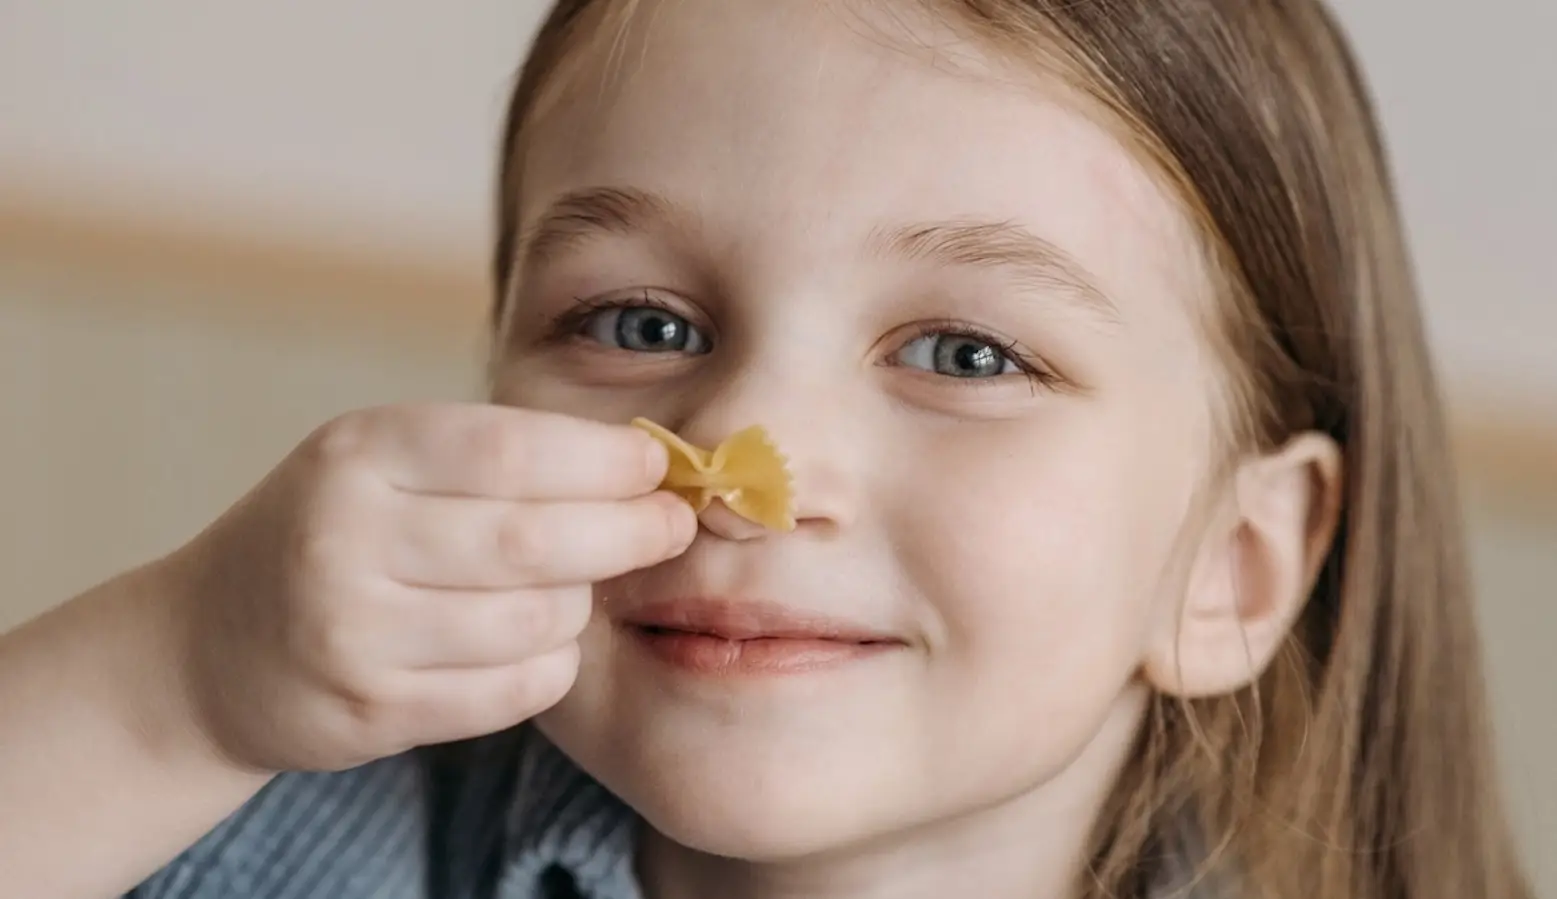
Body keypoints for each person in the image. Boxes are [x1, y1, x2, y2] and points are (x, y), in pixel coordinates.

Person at [0, 1, 1534, 897]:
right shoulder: (282, 812)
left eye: (965, 354)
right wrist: (175, 679)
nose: (738, 444)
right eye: (642, 326)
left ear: (1235, 564)